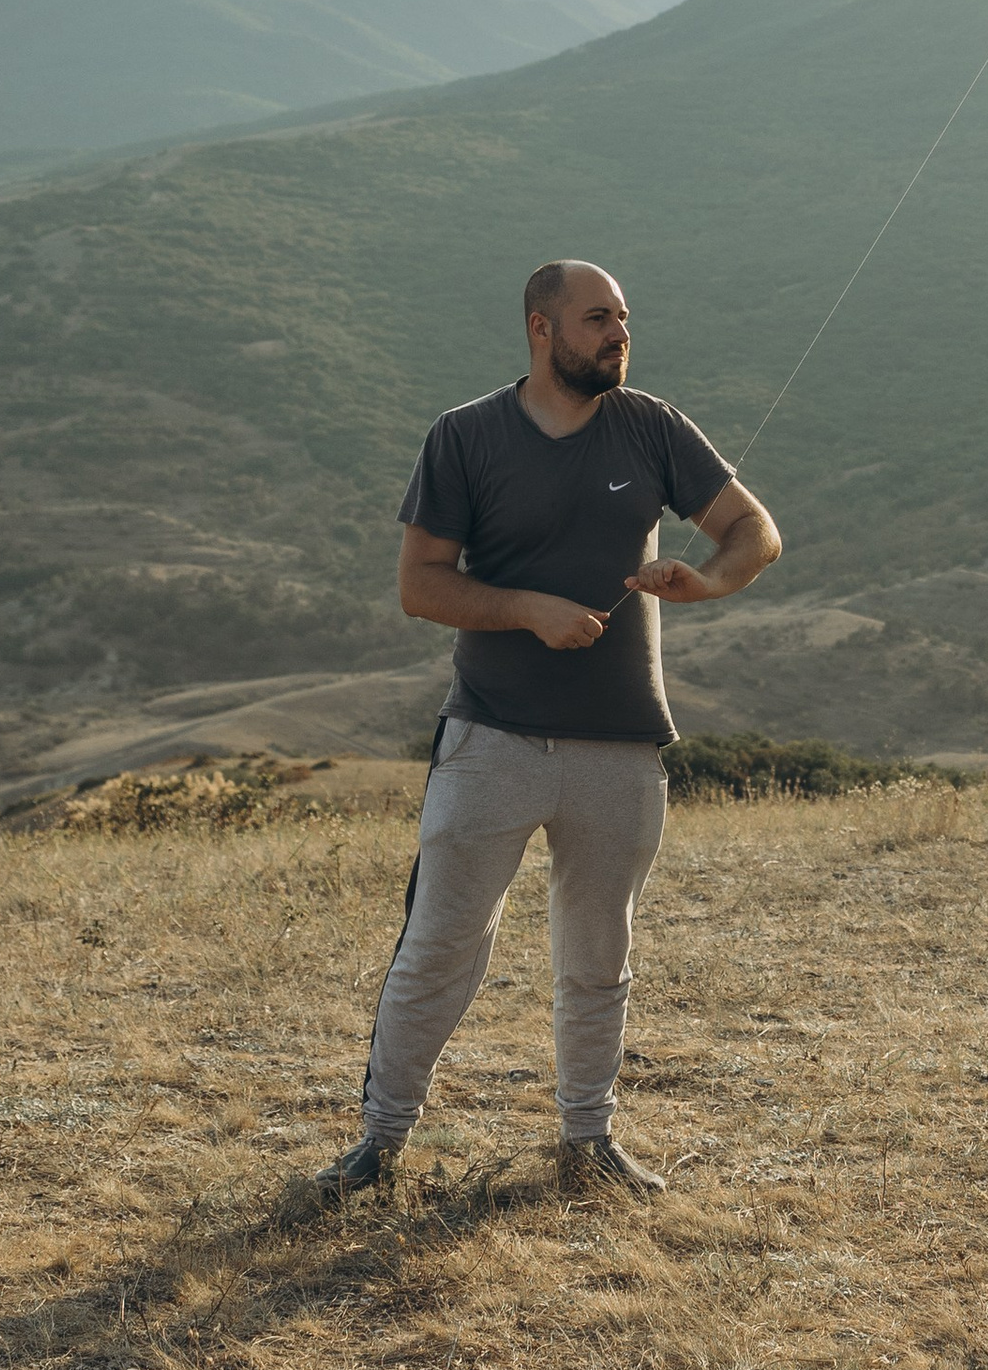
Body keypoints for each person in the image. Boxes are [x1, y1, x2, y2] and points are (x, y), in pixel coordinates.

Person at [323, 259, 781, 1200]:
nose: (618, 335)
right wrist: (529, 608)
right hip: (490, 739)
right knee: (442, 945)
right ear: (541, 329)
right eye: (597, 319)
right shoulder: (463, 436)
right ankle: (378, 1146)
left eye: (623, 320)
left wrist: (711, 579)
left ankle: (587, 1145)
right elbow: (421, 587)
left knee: (599, 953)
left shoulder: (651, 423)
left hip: (620, 744)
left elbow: (754, 530)